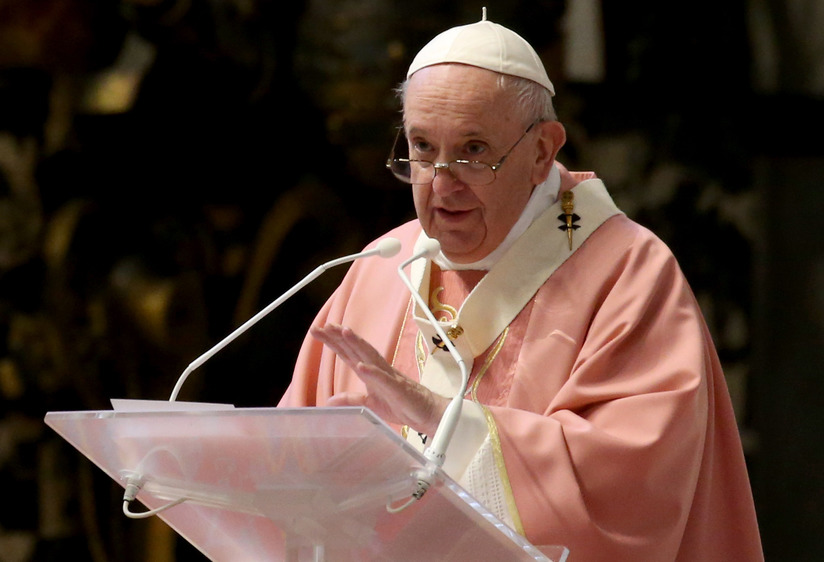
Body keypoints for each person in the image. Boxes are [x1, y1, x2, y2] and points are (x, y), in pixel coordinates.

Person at [278, 10, 763, 561]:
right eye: (421, 148)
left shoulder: (628, 274)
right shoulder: (379, 268)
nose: (441, 181)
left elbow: (632, 486)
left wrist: (439, 420)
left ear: (542, 152)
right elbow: (291, 467)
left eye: (474, 150)